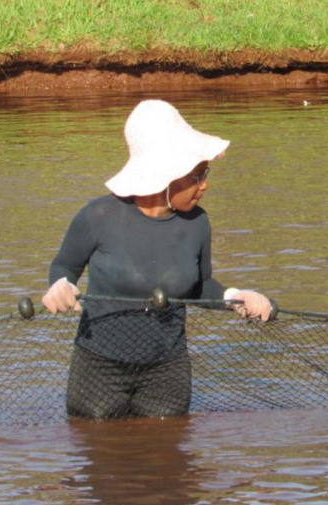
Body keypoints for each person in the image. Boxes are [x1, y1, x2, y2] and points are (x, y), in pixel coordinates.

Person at [42, 99, 273, 419]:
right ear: (167, 174)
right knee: (98, 455)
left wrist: (236, 297)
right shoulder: (98, 216)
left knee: (167, 457)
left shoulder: (198, 224)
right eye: (197, 175)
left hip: (167, 371)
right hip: (99, 369)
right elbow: (65, 266)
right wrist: (60, 286)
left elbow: (197, 286)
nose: (205, 184)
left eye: (205, 173)